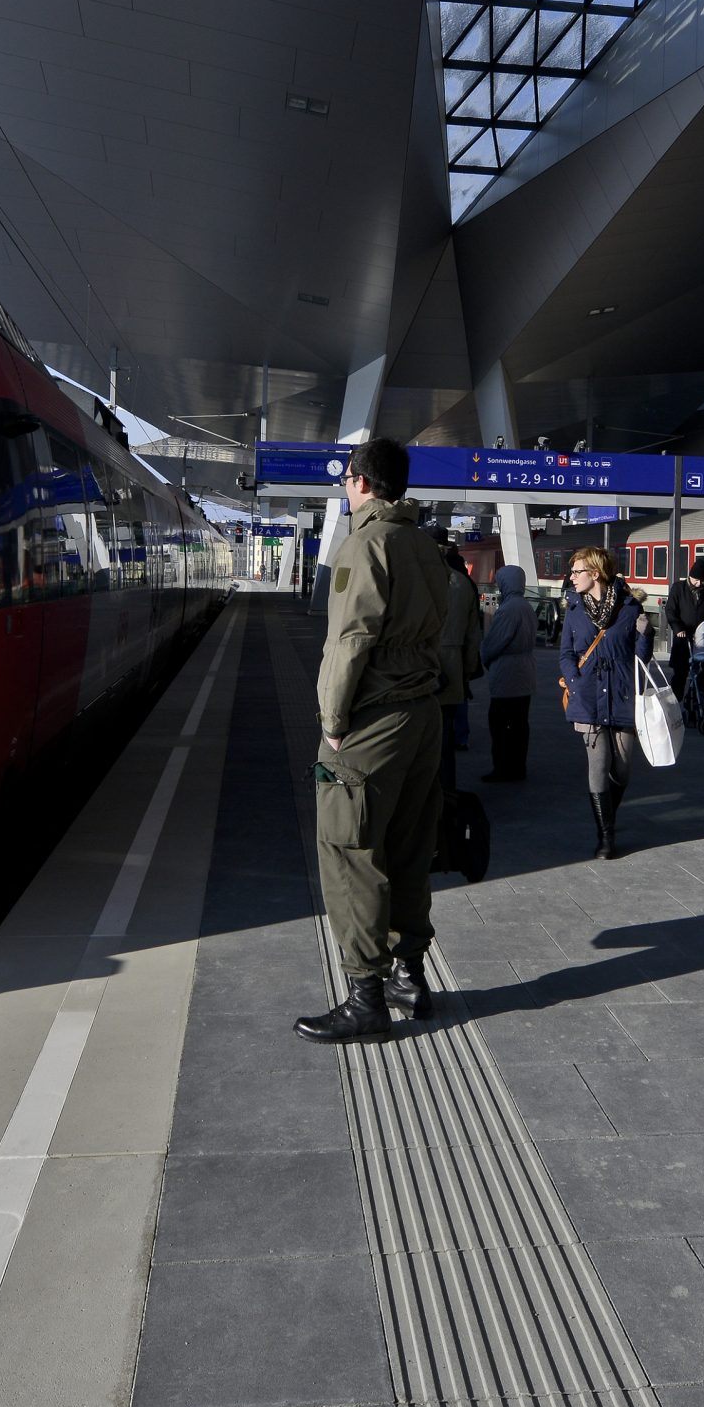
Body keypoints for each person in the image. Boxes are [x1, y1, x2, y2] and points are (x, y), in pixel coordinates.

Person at [297, 439, 448, 1045]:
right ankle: (410, 978)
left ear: (358, 481)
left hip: (373, 721)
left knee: (350, 850)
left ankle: (366, 997)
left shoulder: (365, 543)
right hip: (423, 715)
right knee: (410, 847)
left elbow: (351, 640)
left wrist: (332, 723)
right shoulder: (424, 544)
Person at [558, 547, 644, 859]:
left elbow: (639, 658)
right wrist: (575, 679)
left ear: (595, 574)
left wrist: (645, 636)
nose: (572, 577)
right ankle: (605, 838)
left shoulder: (630, 608)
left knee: (622, 770)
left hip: (621, 696)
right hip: (589, 697)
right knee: (598, 764)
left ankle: (609, 814)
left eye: (577, 572)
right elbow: (566, 651)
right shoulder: (574, 609)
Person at [479, 564, 535, 783]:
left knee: (500, 724)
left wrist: (484, 657)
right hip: (525, 671)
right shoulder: (526, 606)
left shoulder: (509, 608)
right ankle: (518, 766)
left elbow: (495, 641)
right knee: (520, 723)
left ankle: (502, 768)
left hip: (507, 673)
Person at [436, 547, 482, 787]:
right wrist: (467, 669)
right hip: (454, 670)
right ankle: (447, 794)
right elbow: (474, 634)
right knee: (445, 743)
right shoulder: (463, 584)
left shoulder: (416, 580)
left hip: (420, 672)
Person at [664, 556, 704, 699]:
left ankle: (703, 702)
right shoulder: (678, 588)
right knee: (680, 673)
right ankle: (675, 702)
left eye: (703, 580)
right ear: (690, 576)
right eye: (696, 580)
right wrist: (678, 628)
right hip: (683, 639)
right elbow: (671, 611)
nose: (699, 583)